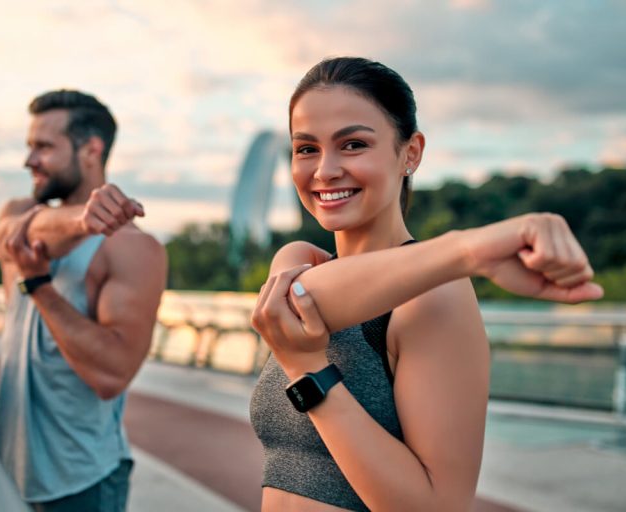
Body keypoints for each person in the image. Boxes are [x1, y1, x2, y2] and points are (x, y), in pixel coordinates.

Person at [249, 57, 603, 512]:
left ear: (410, 153)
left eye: (353, 144)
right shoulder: (299, 261)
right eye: (306, 148)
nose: (325, 170)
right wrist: (469, 250)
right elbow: (304, 299)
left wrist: (311, 376)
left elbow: (437, 507)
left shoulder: (437, 297)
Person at [0, 89, 167, 512]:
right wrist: (82, 219)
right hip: (6, 471)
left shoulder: (134, 249)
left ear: (91, 150)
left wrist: (40, 288)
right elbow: (14, 237)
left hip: (82, 484)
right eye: (29, 146)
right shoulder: (18, 216)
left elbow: (111, 375)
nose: (29, 160)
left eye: (44, 147)